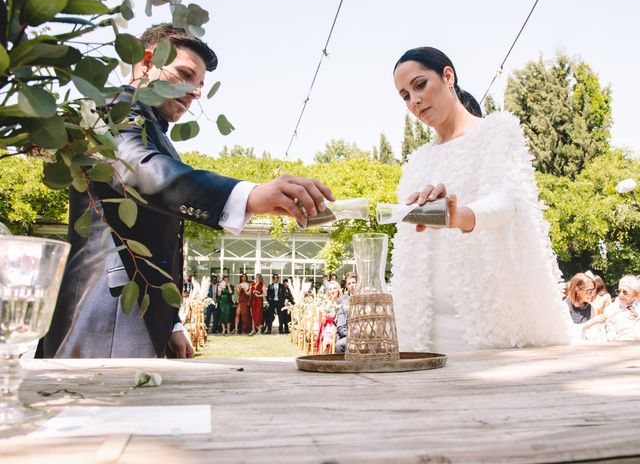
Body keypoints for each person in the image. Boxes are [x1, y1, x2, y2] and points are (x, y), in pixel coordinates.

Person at [38, 24, 333, 359]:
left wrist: (171, 324)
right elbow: (141, 170)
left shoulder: (154, 132)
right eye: (185, 74)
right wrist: (248, 196)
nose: (195, 92)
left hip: (141, 308)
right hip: (108, 309)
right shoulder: (110, 110)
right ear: (146, 62)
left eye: (200, 85)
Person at [390, 46, 573, 353]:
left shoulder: (497, 132)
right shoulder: (417, 160)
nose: (415, 100)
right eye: (405, 95)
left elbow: (507, 201)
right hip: (423, 332)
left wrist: (458, 215)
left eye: (420, 84)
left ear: (448, 76)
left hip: (487, 327)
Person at [565, 273, 606, 341]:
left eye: (593, 290)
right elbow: (566, 333)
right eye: (589, 291)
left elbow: (593, 334)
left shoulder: (590, 308)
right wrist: (590, 323)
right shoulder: (564, 307)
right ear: (577, 290)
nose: (592, 294)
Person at [604, 275, 640, 341]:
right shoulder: (611, 309)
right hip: (621, 346)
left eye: (624, 292)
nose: (620, 295)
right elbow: (610, 333)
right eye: (618, 291)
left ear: (634, 293)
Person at [335, 272, 356, 353]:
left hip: (366, 334)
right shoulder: (343, 301)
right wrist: (352, 335)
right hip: (348, 334)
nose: (352, 285)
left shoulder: (366, 298)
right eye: (349, 283)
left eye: (354, 282)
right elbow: (340, 326)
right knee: (339, 344)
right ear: (347, 286)